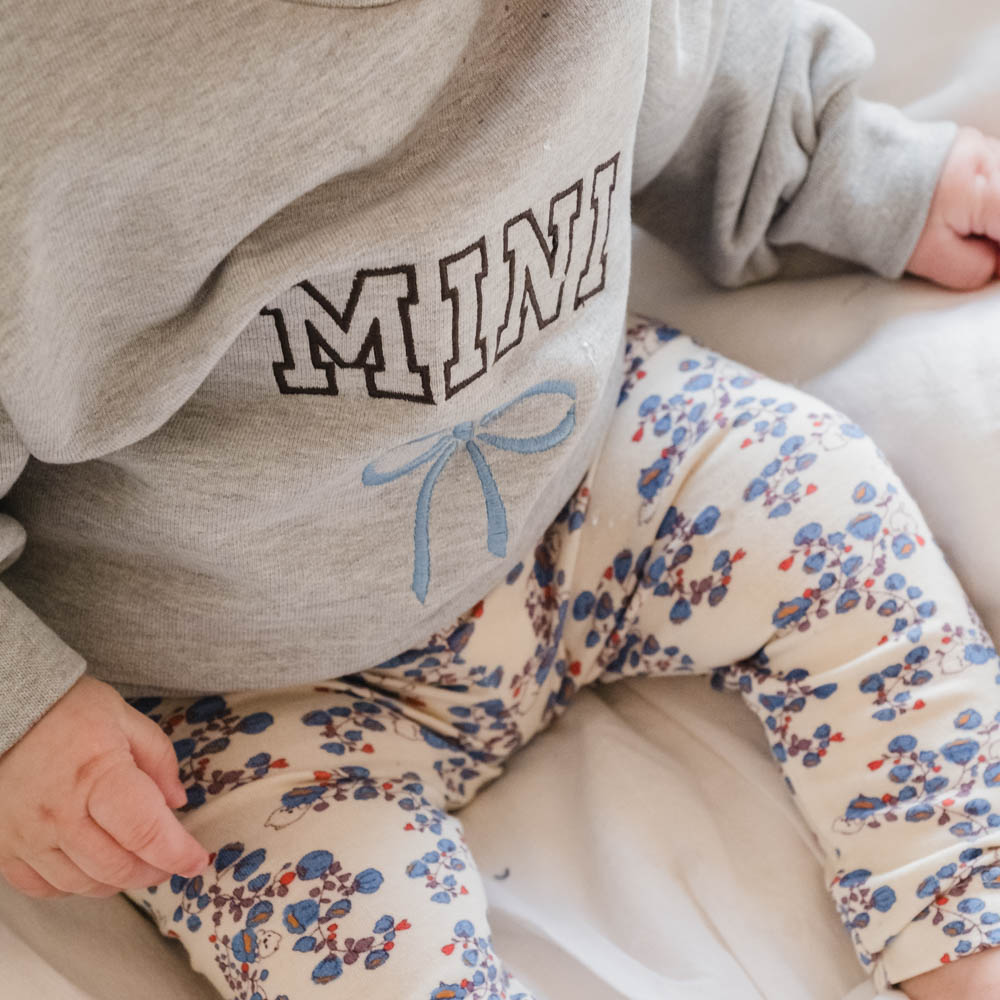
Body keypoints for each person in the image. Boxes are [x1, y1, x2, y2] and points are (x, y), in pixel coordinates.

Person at [1, 1, 999, 997]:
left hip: (580, 473)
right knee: (359, 963)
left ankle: (969, 936)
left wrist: (851, 169)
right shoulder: (54, 86)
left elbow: (698, 59)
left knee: (825, 503)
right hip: (233, 691)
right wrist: (22, 707)